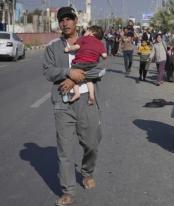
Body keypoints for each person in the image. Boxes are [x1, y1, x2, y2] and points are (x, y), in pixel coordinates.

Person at [42, 7, 105, 205]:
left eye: (69, 19)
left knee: (92, 143)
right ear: (59, 23)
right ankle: (68, 190)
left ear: (76, 20)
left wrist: (77, 78)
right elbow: (48, 71)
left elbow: (101, 68)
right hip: (63, 104)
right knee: (65, 150)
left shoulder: (92, 40)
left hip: (88, 101)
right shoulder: (53, 47)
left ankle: (87, 172)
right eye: (62, 20)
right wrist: (68, 73)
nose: (66, 23)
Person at [64, 25, 107, 105]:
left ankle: (77, 94)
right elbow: (104, 55)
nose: (85, 32)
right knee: (89, 81)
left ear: (91, 32)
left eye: (87, 30)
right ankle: (91, 95)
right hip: (92, 64)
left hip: (80, 63)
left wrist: (68, 49)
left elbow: (76, 46)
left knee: (74, 77)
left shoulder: (83, 38)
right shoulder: (100, 43)